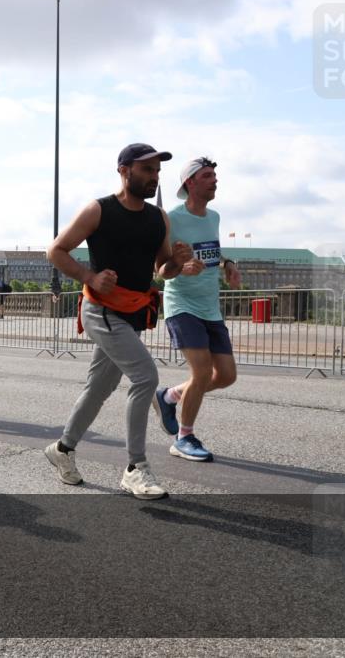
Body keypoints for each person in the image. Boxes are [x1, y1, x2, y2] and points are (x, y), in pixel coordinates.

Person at [45, 143, 189, 500]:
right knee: (145, 376)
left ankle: (62, 449)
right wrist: (90, 277)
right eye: (147, 170)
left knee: (99, 389)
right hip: (101, 311)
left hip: (132, 314)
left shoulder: (159, 219)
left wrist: (178, 263)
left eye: (157, 172)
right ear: (124, 170)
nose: (154, 178)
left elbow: (162, 269)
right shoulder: (99, 210)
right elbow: (56, 251)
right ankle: (134, 468)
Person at [152, 157, 242, 462]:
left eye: (215, 175)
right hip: (182, 304)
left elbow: (211, 250)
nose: (215, 180)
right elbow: (161, 270)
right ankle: (184, 437)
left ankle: (169, 396)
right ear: (190, 183)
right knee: (202, 372)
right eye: (207, 176)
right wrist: (181, 266)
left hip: (210, 306)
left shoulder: (213, 216)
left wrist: (228, 264)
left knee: (226, 375)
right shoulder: (170, 217)